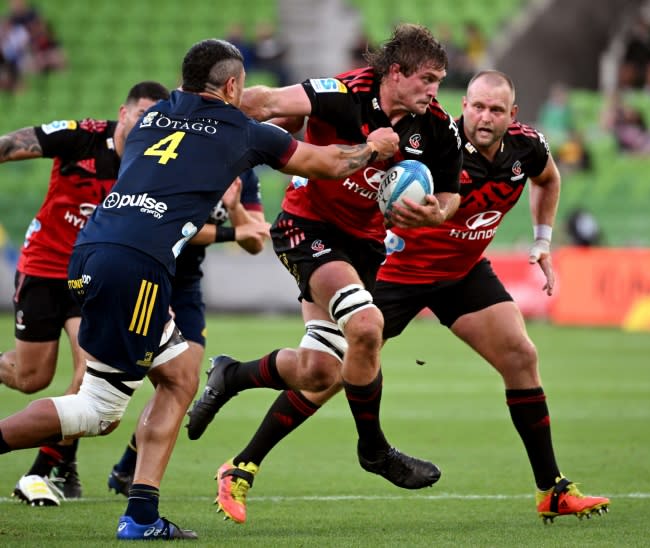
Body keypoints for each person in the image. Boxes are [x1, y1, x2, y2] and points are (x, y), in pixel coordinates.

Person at [0, 37, 400, 541]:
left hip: (89, 252)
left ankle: (142, 512)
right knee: (97, 410)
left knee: (180, 375)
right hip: (139, 267)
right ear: (233, 85)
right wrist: (374, 148)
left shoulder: (153, 117)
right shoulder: (242, 131)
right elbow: (328, 164)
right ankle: (138, 516)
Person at [187, 70, 611, 524]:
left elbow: (548, 179)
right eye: (477, 106)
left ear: (513, 115)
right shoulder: (433, 141)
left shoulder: (528, 147)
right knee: (326, 375)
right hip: (397, 272)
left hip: (462, 273)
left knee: (521, 355)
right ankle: (242, 463)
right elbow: (359, 168)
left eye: (495, 110)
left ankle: (552, 490)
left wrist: (542, 239)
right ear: (463, 105)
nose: (484, 117)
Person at [186, 23, 463, 523]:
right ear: (395, 73)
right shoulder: (345, 94)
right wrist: (202, 123)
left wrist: (436, 214)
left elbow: (450, 194)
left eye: (439, 81)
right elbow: (264, 103)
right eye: (427, 79)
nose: (434, 91)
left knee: (318, 371)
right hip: (306, 227)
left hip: (365, 246)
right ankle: (374, 450)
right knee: (366, 325)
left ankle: (231, 375)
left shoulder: (437, 128)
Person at [0, 80, 170, 506]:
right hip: (42, 266)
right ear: (124, 112)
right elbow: (15, 144)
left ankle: (41, 472)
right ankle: (61, 463)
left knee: (87, 371)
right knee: (30, 377)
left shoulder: (156, 159)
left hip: (91, 274)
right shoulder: (83, 135)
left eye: (156, 120)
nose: (147, 125)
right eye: (141, 115)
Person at [107, 168, 270, 496]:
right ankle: (57, 460)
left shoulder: (245, 172)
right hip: (149, 270)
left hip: (187, 283)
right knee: (110, 393)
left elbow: (254, 241)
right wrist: (233, 232)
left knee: (184, 381)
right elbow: (171, 226)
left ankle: (128, 469)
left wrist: (235, 207)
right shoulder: (188, 156)